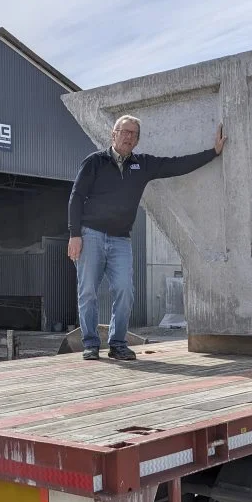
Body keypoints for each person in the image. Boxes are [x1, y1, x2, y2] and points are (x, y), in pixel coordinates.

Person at [67, 115, 226, 360]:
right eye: (124, 131)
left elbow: (177, 165)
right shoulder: (94, 162)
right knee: (87, 291)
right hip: (92, 236)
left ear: (137, 140)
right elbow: (76, 197)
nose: (128, 136)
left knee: (125, 291)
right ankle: (90, 344)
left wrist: (213, 152)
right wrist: (74, 234)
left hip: (121, 239)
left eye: (133, 133)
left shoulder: (143, 165)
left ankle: (118, 343)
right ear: (113, 134)